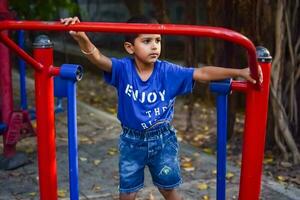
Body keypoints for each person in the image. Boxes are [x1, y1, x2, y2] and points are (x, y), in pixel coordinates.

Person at [61, 15, 262, 200]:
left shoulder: (168, 71)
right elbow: (98, 59)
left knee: (169, 188)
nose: (154, 46)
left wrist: (240, 72)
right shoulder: (124, 69)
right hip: (132, 142)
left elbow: (202, 73)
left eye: (158, 40)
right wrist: (82, 38)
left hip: (162, 140)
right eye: (147, 41)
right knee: (127, 193)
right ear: (130, 47)